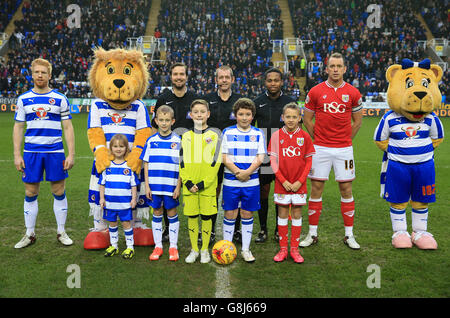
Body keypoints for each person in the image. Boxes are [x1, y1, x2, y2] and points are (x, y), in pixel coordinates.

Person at [301, 52, 363, 250]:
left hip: (344, 149)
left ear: (345, 69)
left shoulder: (353, 93)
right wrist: (317, 138)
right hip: (320, 148)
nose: (335, 69)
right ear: (326, 69)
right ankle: (312, 234)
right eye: (332, 66)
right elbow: (307, 119)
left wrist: (345, 140)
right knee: (316, 188)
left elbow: (358, 122)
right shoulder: (316, 91)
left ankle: (349, 235)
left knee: (346, 189)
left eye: (339, 66)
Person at [13, 58, 75, 249]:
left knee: (58, 190)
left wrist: (71, 153)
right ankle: (29, 234)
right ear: (32, 74)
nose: (40, 75)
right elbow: (18, 127)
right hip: (31, 151)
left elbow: (67, 126)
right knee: (30, 191)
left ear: (49, 75)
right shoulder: (23, 99)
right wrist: (17, 154)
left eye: (43, 72)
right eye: (37, 72)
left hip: (55, 151)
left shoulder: (60, 98)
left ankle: (61, 231)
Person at [153, 62, 198, 242]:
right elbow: (154, 125)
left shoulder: (194, 97)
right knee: (167, 189)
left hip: (190, 152)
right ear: (171, 77)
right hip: (168, 153)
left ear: (186, 77)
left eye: (182, 74)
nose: (179, 77)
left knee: (191, 190)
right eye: (175, 74)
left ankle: (197, 228)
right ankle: (167, 228)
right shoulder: (163, 97)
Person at [253, 67, 296, 243]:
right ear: (265, 82)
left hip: (283, 155)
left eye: (276, 80)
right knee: (263, 193)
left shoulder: (289, 102)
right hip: (264, 155)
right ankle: (263, 229)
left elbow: (295, 128)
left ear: (281, 82)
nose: (273, 83)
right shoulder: (257, 102)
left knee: (282, 193)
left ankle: (280, 229)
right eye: (269, 80)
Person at [268, 103, 315, 263]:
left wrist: (299, 181)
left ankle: (294, 249)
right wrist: (283, 180)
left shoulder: (305, 137)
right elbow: (273, 161)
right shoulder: (276, 136)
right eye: (288, 116)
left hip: (299, 185)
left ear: (299, 118)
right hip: (282, 184)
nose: (291, 120)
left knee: (296, 214)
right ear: (282, 117)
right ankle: (283, 250)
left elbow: (308, 162)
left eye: (294, 117)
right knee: (282, 214)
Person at [202, 65, 244, 244]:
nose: (224, 80)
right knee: (213, 193)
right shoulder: (207, 100)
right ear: (216, 80)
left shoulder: (240, 101)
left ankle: (236, 230)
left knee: (234, 192)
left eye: (227, 77)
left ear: (232, 79)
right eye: (221, 77)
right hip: (211, 154)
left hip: (234, 155)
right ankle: (210, 230)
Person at [222, 98, 266, 262]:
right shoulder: (227, 132)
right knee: (230, 212)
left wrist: (247, 172)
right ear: (235, 115)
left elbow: (260, 157)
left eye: (248, 114)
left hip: (251, 181)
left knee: (247, 213)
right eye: (241, 114)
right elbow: (224, 157)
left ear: (252, 116)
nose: (245, 117)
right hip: (231, 181)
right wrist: (237, 172)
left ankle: (246, 249)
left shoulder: (257, 133)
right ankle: (227, 247)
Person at [180, 99, 222, 264]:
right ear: (191, 115)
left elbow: (216, 162)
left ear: (208, 114)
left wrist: (205, 183)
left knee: (206, 217)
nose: (199, 114)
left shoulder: (215, 135)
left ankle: (204, 249)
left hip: (207, 186)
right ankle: (194, 249)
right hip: (189, 186)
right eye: (195, 112)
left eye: (202, 112)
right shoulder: (185, 136)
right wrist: (188, 182)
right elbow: (181, 161)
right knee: (191, 217)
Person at [141, 105, 182, 261]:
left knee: (172, 214)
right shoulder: (151, 141)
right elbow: (146, 164)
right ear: (156, 121)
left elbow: (181, 166)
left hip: (171, 187)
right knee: (157, 212)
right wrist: (147, 186)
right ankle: (158, 246)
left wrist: (178, 186)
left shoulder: (178, 141)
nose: (164, 123)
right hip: (155, 185)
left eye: (167, 120)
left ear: (172, 121)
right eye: (161, 120)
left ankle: (173, 247)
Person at [99, 134, 138, 259]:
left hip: (124, 204)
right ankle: (114, 246)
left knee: (126, 224)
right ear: (111, 148)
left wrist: (133, 199)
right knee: (112, 224)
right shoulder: (107, 166)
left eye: (121, 146)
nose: (118, 149)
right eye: (115, 146)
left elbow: (133, 186)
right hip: (110, 203)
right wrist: (101, 198)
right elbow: (102, 184)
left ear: (126, 148)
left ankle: (130, 247)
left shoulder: (129, 167)